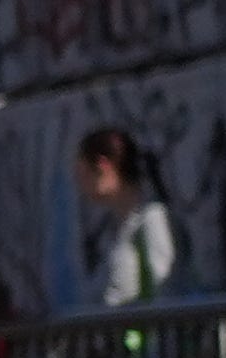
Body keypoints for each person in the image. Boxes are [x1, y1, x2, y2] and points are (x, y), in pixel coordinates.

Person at [78, 126, 181, 312]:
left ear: (103, 166)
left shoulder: (151, 219)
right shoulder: (112, 228)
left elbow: (165, 288)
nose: (80, 185)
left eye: (83, 174)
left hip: (148, 338)